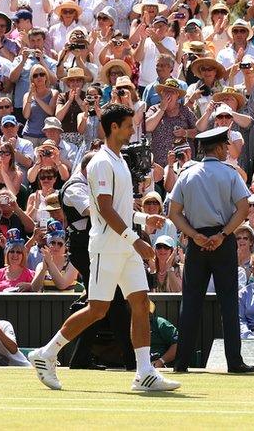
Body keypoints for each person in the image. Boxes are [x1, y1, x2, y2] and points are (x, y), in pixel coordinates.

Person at [29, 104, 181, 392]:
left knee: (139, 303)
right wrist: (134, 238)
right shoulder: (101, 162)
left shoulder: (120, 160)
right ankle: (46, 353)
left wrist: (142, 217)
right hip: (106, 249)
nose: (131, 130)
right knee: (97, 309)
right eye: (127, 125)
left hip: (124, 247)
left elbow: (119, 209)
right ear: (114, 127)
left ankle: (145, 372)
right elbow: (104, 209)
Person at [168, 126, 253, 373]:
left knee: (191, 302)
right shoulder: (229, 173)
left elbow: (174, 212)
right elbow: (243, 208)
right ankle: (234, 362)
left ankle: (181, 362)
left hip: (196, 242)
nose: (228, 149)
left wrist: (194, 235)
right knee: (229, 303)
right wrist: (224, 234)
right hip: (222, 240)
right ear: (218, 147)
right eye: (225, 146)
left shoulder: (187, 174)